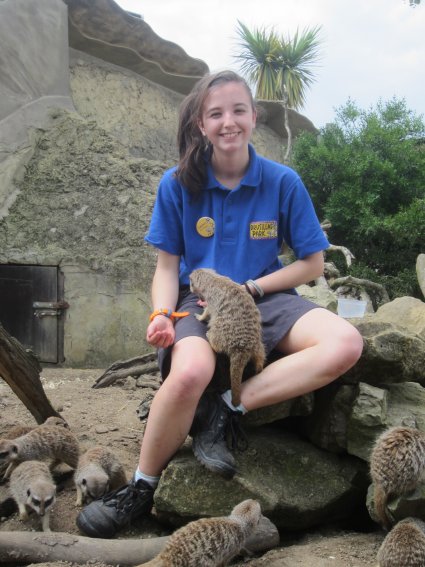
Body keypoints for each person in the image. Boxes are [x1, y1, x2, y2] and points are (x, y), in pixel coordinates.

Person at [77, 70, 364, 538]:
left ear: (253, 116)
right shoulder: (177, 184)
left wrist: (255, 287)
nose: (228, 121)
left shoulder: (282, 182)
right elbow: (167, 267)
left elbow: (312, 264)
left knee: (345, 343)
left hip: (267, 297)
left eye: (237, 111)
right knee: (190, 372)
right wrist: (161, 315)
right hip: (201, 300)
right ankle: (143, 487)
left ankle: (228, 404)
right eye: (216, 114)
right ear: (201, 125)